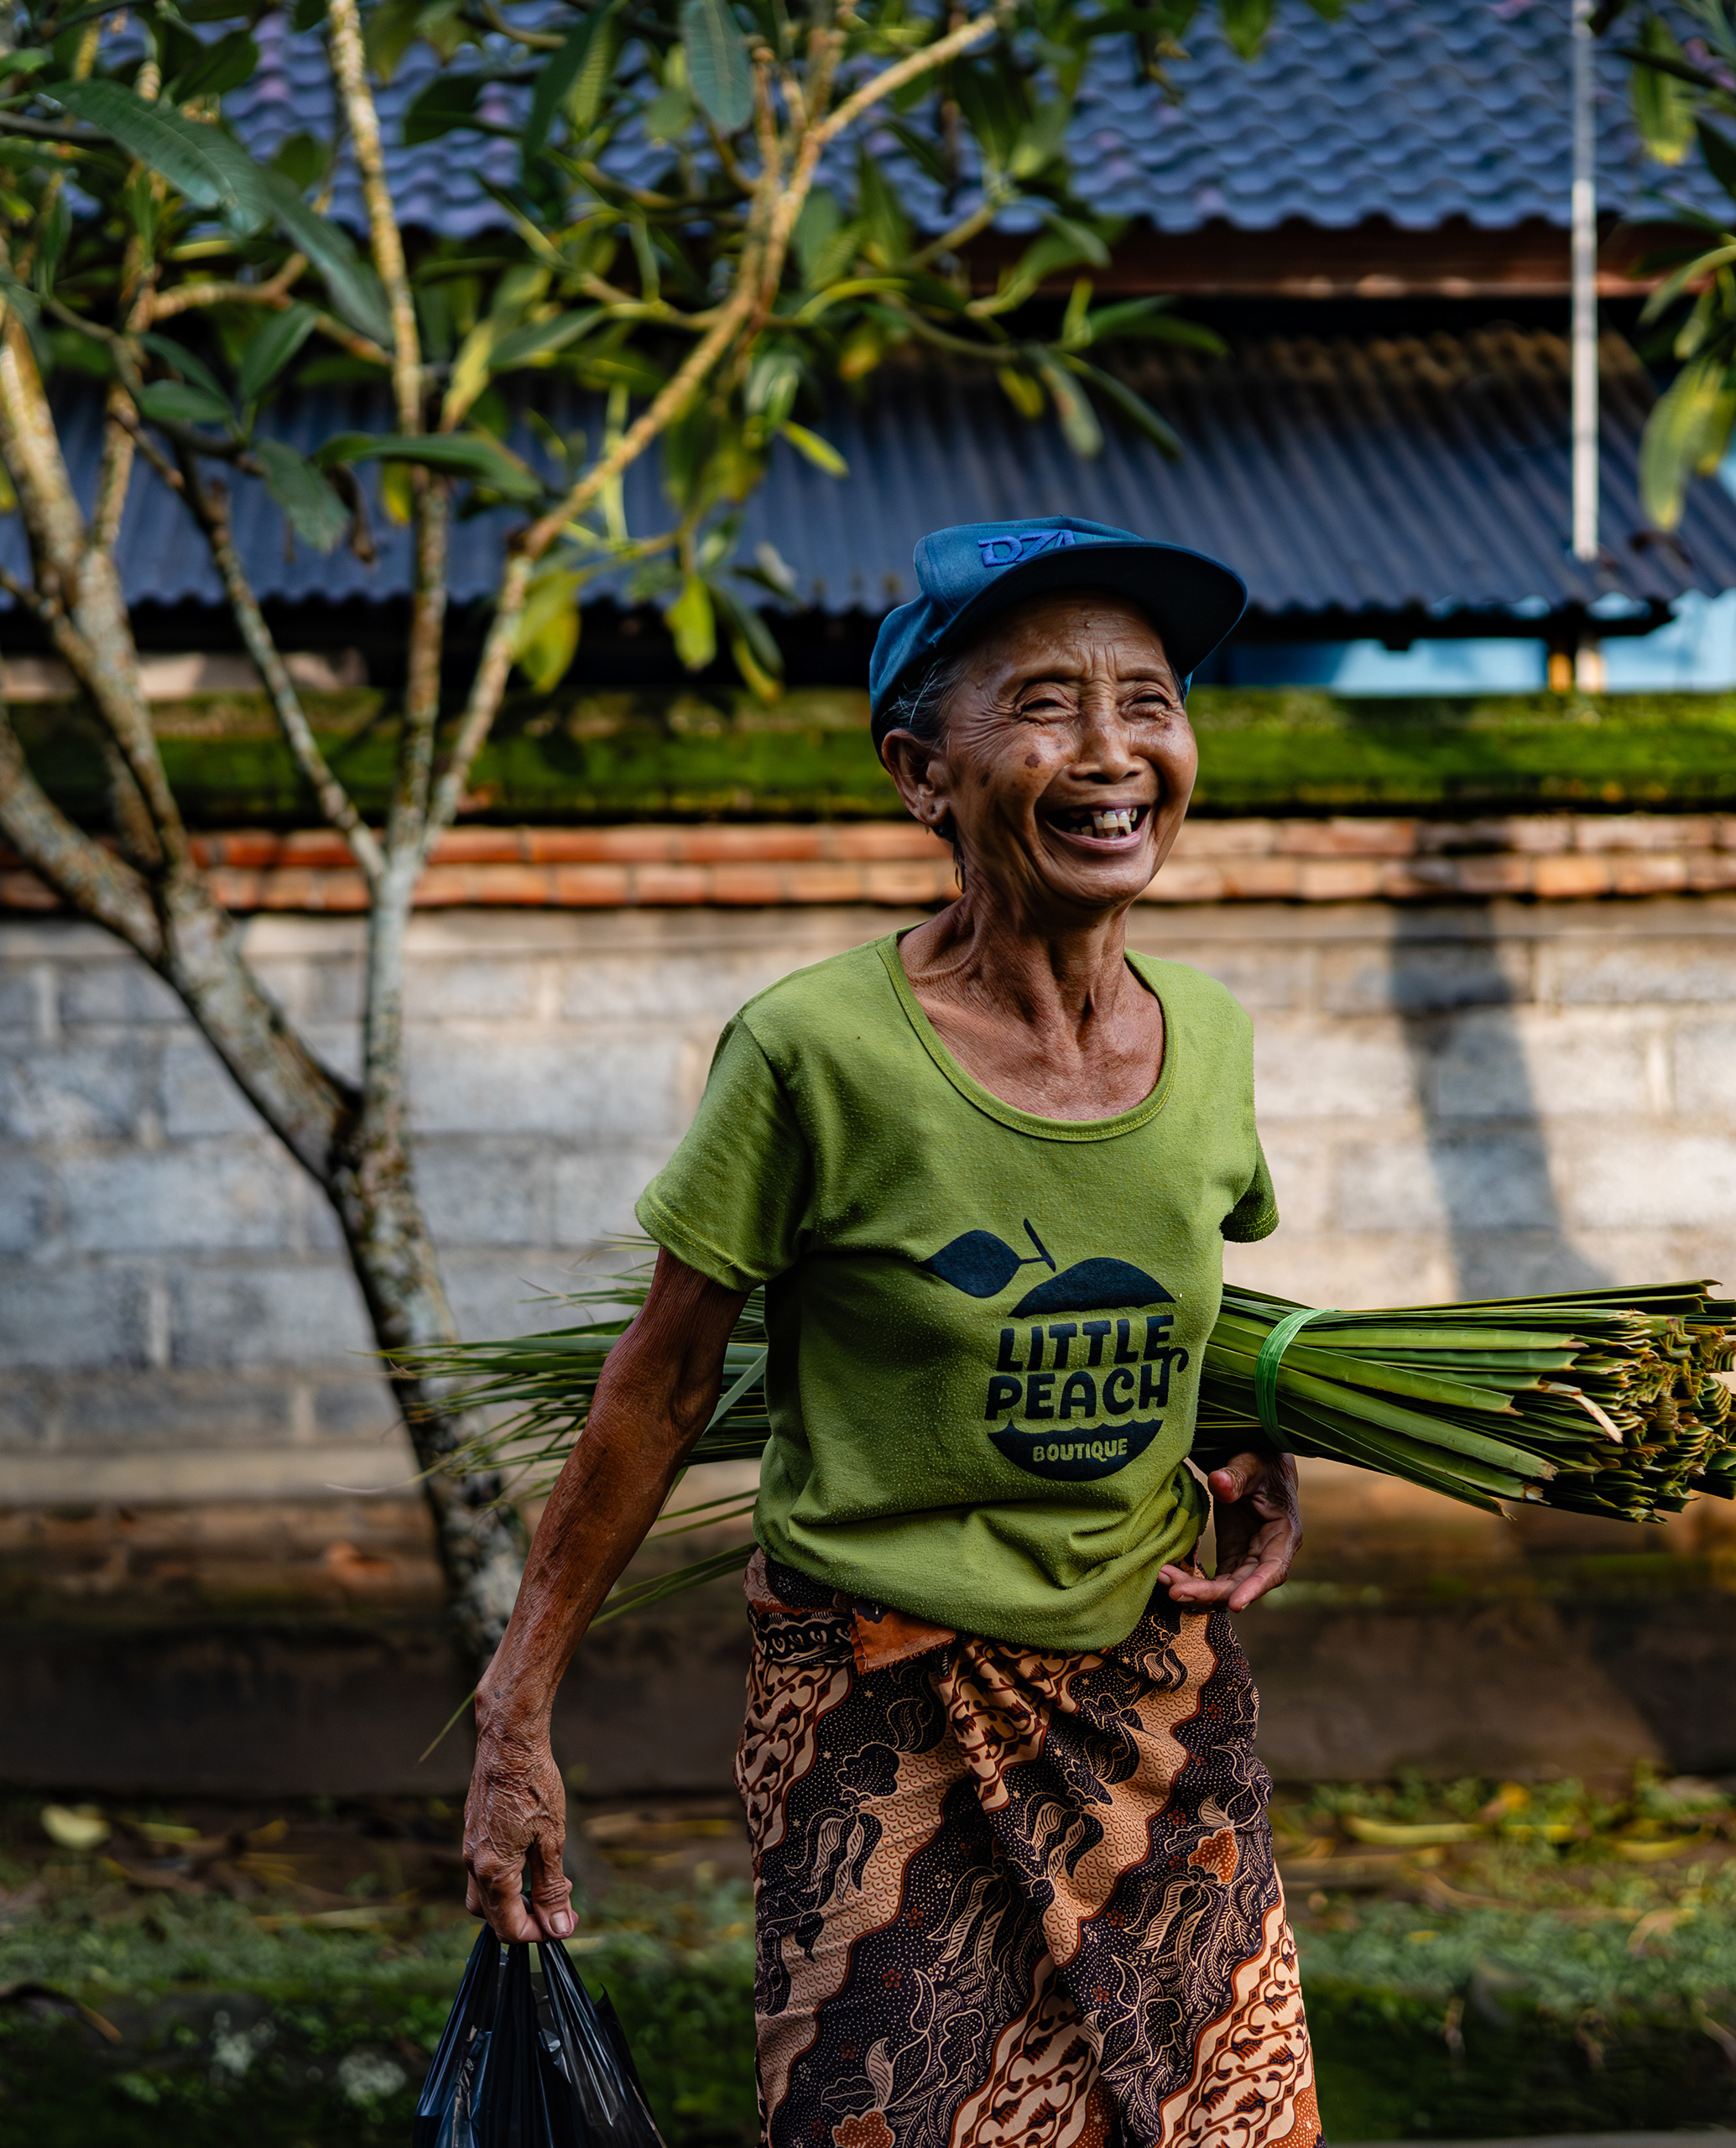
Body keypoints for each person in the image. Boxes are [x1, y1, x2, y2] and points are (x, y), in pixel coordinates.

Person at [460, 517, 1321, 2148]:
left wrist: (1254, 1438)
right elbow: (661, 1383)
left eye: (1149, 700)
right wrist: (518, 1713)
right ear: (923, 772)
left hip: (1160, 1709)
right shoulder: (813, 1051)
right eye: (1048, 704)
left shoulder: (1208, 1035)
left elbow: (1183, 1298)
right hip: (884, 1712)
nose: (1114, 750)